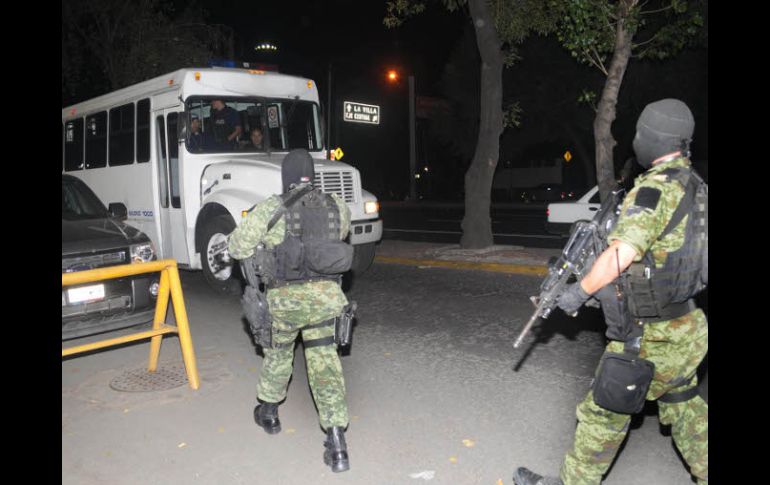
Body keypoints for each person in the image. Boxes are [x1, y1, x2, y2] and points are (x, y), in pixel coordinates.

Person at [513, 99, 708, 485]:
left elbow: (623, 253)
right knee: (686, 410)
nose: (635, 140)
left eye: (639, 133)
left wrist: (576, 293)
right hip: (687, 327)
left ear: (653, 138)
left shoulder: (655, 190)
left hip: (648, 337)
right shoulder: (697, 187)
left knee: (602, 413)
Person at [227, 149, 354, 473]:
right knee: (325, 363)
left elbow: (237, 246)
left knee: (279, 354)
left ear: (285, 176)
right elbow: (339, 235)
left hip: (285, 301)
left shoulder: (271, 207)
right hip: (326, 298)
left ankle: (268, 413)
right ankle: (337, 442)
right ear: (314, 174)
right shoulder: (335, 204)